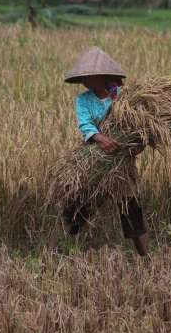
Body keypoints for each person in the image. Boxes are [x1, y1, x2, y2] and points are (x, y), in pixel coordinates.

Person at [62, 47, 149, 256]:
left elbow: (141, 125)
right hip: (95, 158)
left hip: (122, 162)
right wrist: (101, 139)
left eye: (90, 77)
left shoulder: (123, 96)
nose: (86, 82)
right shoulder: (83, 100)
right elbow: (85, 125)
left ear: (103, 76)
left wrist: (138, 144)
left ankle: (146, 258)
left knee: (130, 208)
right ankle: (64, 248)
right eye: (83, 78)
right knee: (81, 201)